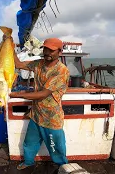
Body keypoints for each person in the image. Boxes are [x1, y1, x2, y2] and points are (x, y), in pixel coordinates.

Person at [9, 38, 70, 170]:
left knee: (56, 148)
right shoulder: (38, 64)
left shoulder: (61, 71)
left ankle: (63, 168)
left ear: (60, 51)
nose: (47, 52)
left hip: (51, 119)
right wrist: (10, 47)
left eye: (51, 50)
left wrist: (16, 95)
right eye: (45, 49)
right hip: (36, 115)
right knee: (29, 143)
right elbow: (18, 64)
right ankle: (28, 162)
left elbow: (43, 94)